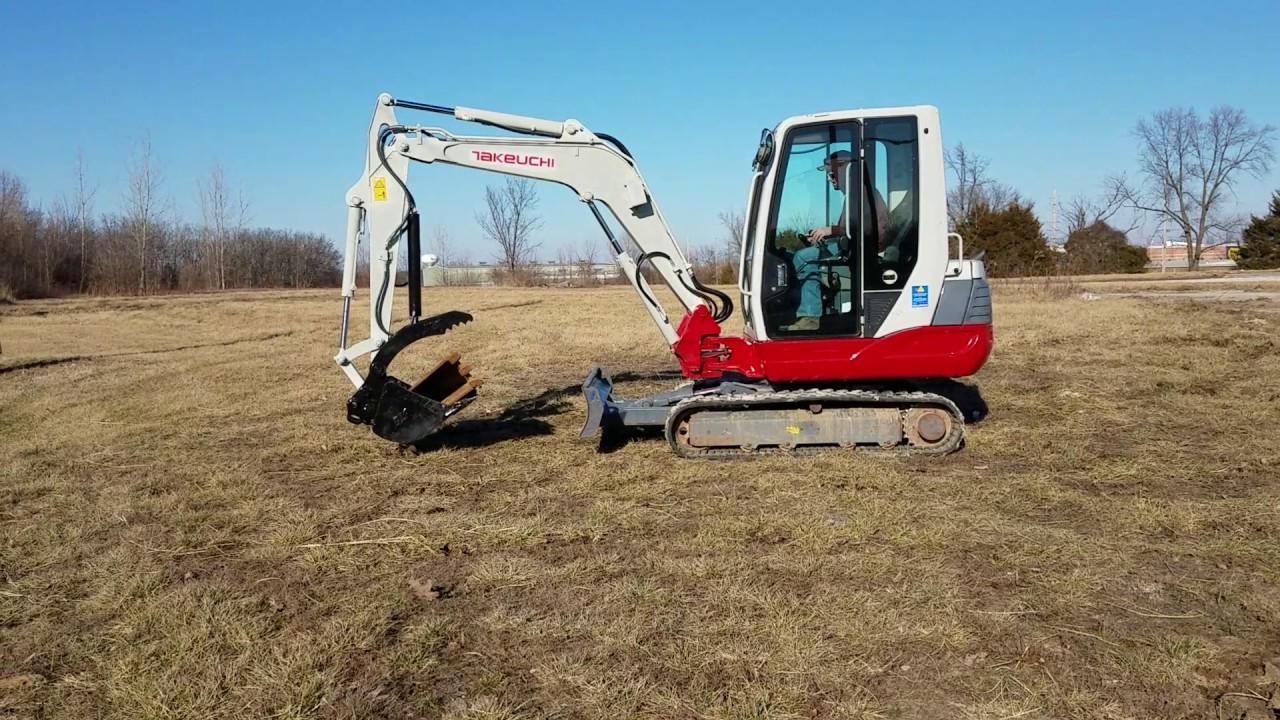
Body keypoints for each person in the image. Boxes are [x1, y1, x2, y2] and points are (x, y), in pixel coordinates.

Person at [783, 150, 887, 331]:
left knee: (802, 257)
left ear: (846, 170)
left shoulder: (860, 193)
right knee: (802, 254)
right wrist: (827, 234)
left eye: (832, 173)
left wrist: (829, 230)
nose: (830, 178)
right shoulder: (860, 192)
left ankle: (810, 317)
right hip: (853, 244)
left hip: (861, 248)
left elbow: (858, 227)